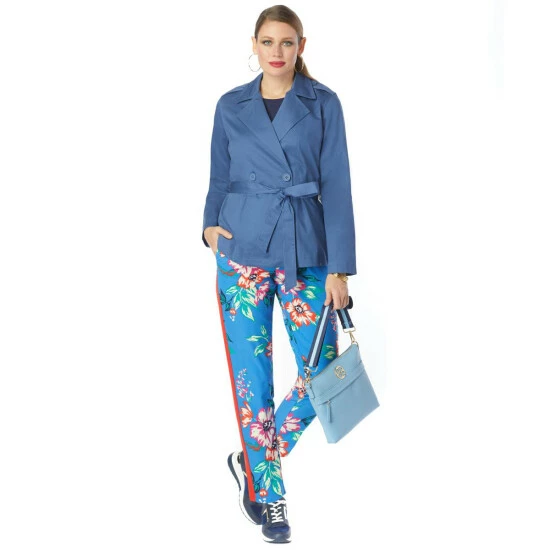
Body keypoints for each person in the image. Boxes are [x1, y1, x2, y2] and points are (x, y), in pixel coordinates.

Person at [201, 5, 357, 544]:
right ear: (254, 44)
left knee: (325, 371)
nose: (276, 51)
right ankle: (271, 499)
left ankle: (253, 460)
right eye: (267, 41)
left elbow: (338, 186)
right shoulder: (230, 105)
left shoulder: (323, 103)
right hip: (240, 252)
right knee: (253, 381)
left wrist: (340, 269)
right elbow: (219, 177)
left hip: (304, 250)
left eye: (286, 42)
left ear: (301, 47)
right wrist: (208, 227)